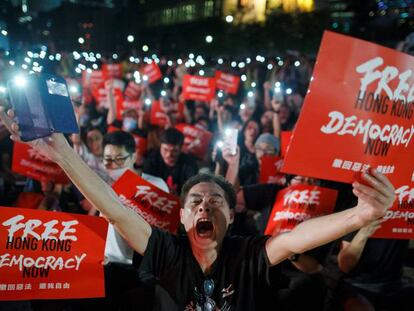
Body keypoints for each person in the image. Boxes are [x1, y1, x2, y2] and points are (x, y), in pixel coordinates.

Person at [0, 104, 395, 310]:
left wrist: (360, 215)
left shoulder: (247, 254)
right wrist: (65, 155)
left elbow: (295, 239)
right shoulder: (168, 252)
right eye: (195, 201)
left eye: (216, 201)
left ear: (231, 214)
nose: (205, 206)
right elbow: (117, 211)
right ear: (183, 215)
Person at [143, 127, 198, 194]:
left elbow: (192, 190)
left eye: (174, 151)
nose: (168, 155)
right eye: (165, 150)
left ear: (181, 148)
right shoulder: (151, 160)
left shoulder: (190, 164)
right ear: (160, 146)